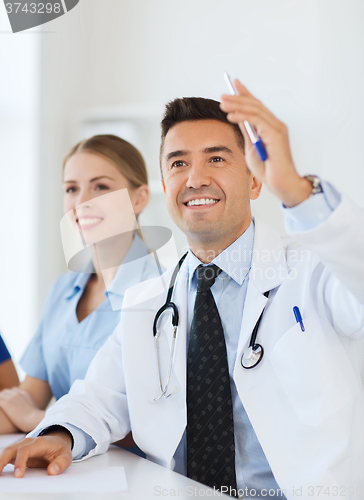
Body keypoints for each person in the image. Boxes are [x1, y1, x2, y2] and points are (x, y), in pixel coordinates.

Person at [1, 82, 363, 500]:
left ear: (255, 180)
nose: (195, 178)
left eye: (216, 158)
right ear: (164, 185)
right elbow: (99, 395)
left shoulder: (316, 271)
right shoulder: (149, 302)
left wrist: (297, 191)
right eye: (177, 163)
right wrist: (61, 433)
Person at [0, 135, 159, 453]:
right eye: (71, 189)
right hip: (72, 471)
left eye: (100, 187)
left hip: (135, 479)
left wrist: (40, 419)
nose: (81, 201)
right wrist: (29, 413)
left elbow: (157, 430)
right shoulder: (63, 290)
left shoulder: (160, 294)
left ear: (139, 198)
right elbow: (28, 395)